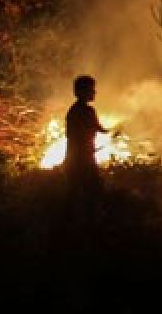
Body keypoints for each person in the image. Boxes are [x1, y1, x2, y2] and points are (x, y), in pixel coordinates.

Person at [64, 74, 108, 222]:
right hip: (80, 160)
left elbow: (97, 127)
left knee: (81, 195)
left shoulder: (82, 111)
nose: (94, 92)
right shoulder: (80, 112)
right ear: (82, 91)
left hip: (81, 158)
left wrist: (109, 131)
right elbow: (74, 134)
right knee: (87, 194)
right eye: (92, 89)